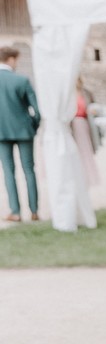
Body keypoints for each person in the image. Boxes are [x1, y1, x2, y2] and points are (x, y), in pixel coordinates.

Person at [0, 46, 42, 223]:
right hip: (24, 131)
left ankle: (15, 212)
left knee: (8, 172)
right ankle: (34, 211)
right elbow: (37, 110)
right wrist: (33, 126)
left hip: (1, 132)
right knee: (29, 170)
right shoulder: (22, 80)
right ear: (10, 59)